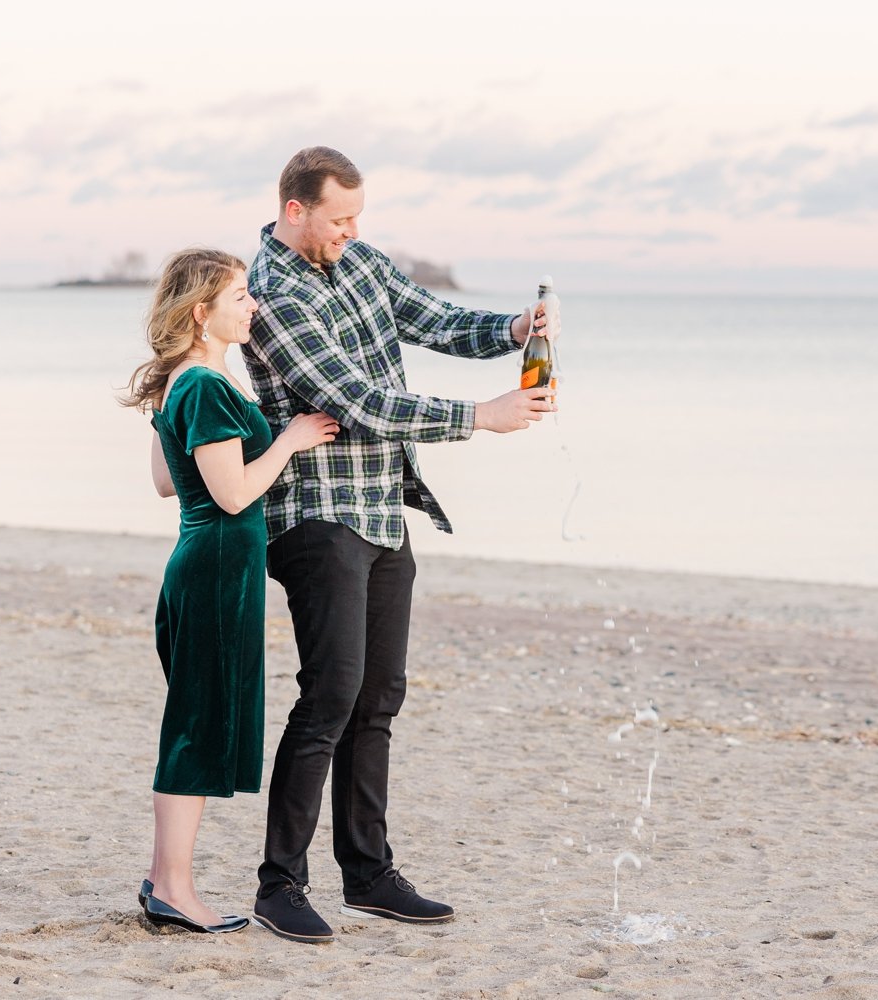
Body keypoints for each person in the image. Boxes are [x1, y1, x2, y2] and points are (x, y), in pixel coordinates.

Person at [243, 147, 557, 943]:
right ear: (295, 211)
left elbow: (433, 319)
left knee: (379, 699)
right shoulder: (273, 294)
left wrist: (512, 328)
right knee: (330, 698)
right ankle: (279, 884)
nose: (352, 230)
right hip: (315, 516)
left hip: (383, 509)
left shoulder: (362, 261)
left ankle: (368, 874)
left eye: (357, 217)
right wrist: (480, 417)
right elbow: (359, 400)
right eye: (339, 218)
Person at [121, 247, 340, 934]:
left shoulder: (180, 383)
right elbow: (234, 490)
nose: (254, 306)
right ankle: (175, 891)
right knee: (197, 731)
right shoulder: (206, 387)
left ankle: (166, 882)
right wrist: (292, 439)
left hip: (202, 565)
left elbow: (165, 482)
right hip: (217, 571)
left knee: (197, 724)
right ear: (201, 312)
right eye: (241, 296)